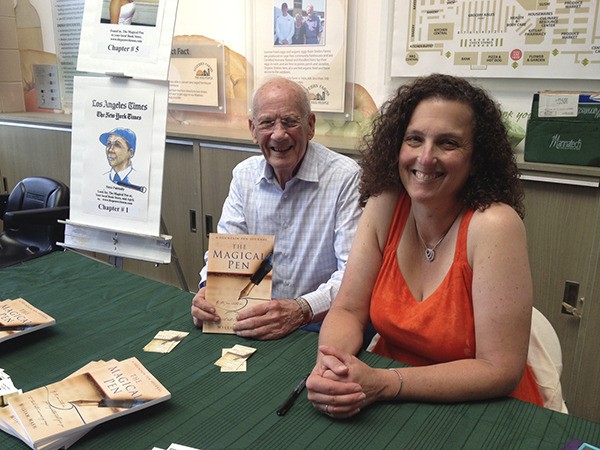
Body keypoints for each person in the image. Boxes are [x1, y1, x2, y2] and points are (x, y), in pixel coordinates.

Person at [306, 73, 543, 419]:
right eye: (414, 139)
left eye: (448, 143)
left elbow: (500, 370)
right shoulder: (384, 204)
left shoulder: (495, 224)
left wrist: (384, 383)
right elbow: (347, 311)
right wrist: (331, 366)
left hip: (480, 406)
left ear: (477, 156)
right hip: (383, 393)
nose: (426, 157)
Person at [191, 77, 362, 340]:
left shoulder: (345, 177)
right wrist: (208, 291)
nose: (279, 134)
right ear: (252, 129)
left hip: (322, 324)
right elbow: (226, 250)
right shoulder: (244, 175)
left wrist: (301, 309)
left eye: (290, 121)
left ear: (311, 126)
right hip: (258, 319)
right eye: (267, 122)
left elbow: (354, 277)